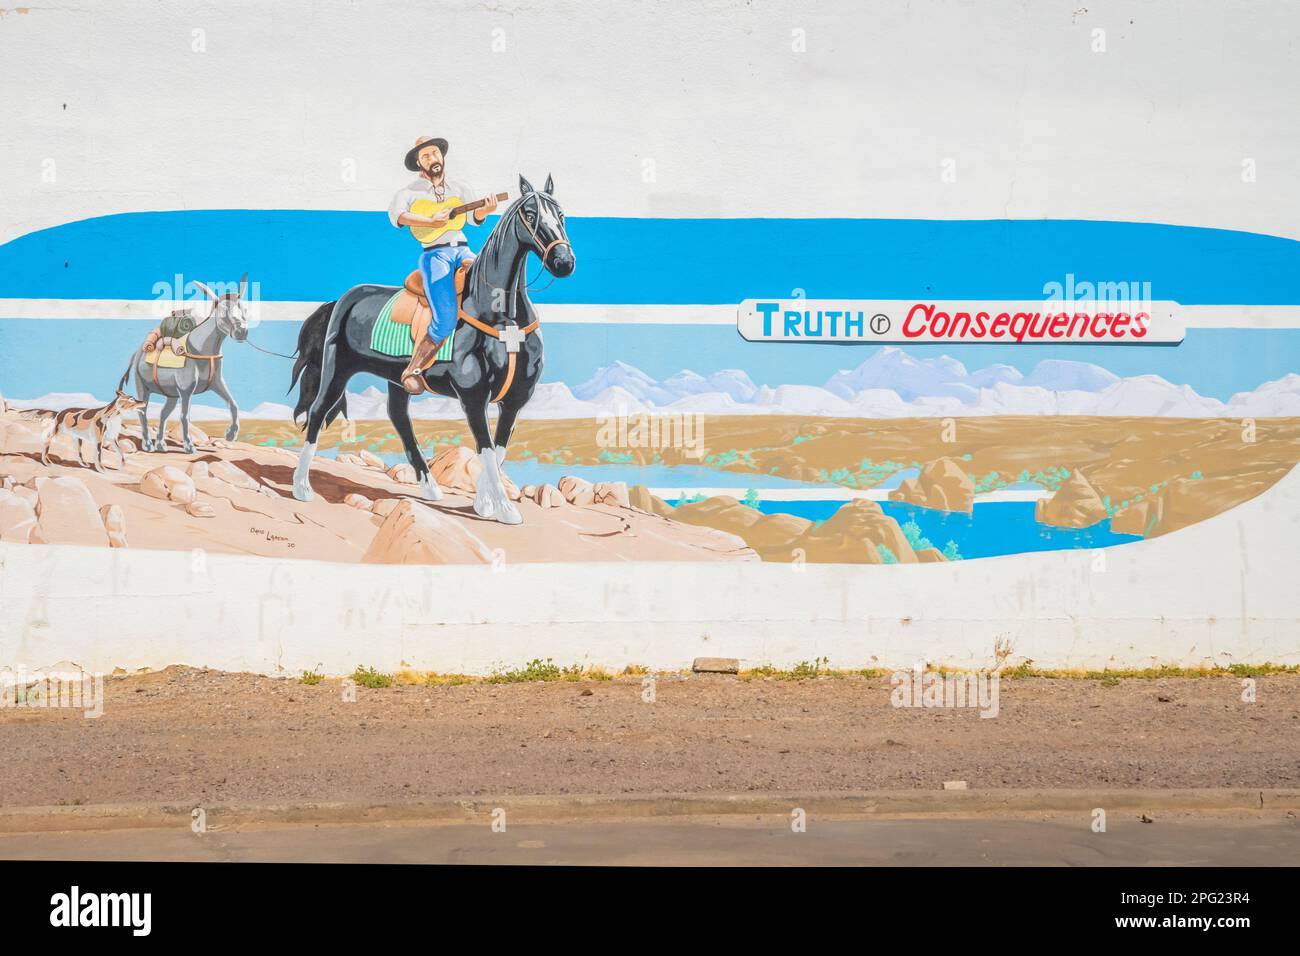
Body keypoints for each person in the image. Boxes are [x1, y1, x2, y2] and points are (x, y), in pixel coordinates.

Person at [389, 135, 499, 393]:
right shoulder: (409, 192)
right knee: (445, 318)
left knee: (488, 273)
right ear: (418, 162)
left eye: (435, 153)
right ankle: (413, 369)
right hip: (434, 256)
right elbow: (398, 215)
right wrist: (431, 222)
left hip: (462, 250)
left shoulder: (459, 189)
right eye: (425, 156)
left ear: (442, 156)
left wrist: (485, 210)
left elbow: (474, 218)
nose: (432, 159)